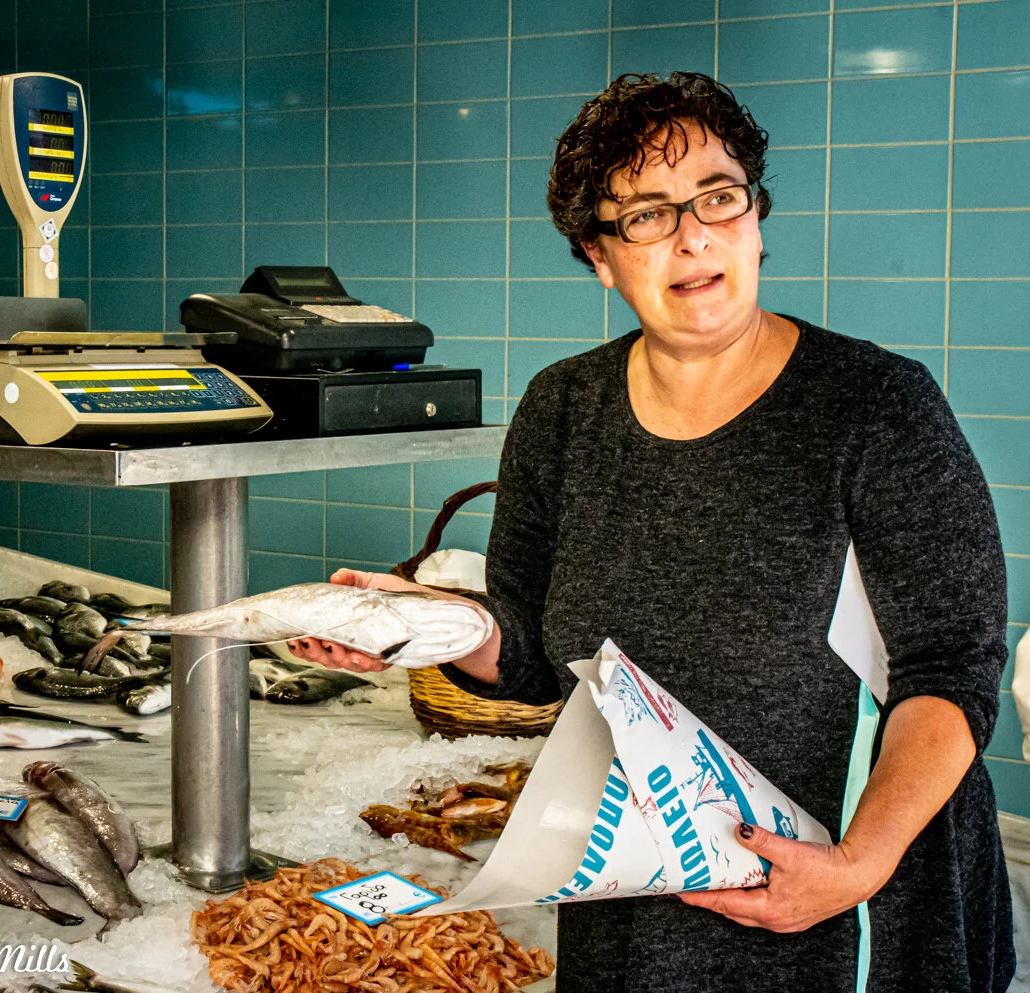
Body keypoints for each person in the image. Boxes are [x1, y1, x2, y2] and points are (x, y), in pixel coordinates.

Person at [289, 72, 1014, 993]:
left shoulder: (877, 407)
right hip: (640, 885)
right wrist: (424, 622)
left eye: (719, 197)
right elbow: (531, 657)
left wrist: (860, 863)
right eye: (647, 214)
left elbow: (951, 669)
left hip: (854, 895)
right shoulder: (563, 408)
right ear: (598, 253)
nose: (694, 235)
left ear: (756, 218)